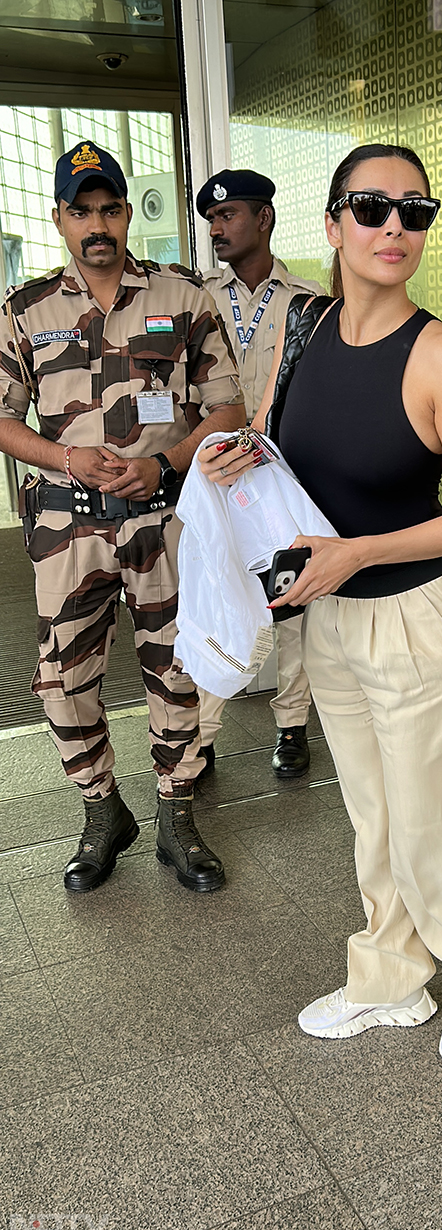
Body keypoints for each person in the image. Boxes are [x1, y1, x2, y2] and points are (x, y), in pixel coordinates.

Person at [199, 143, 442, 1063]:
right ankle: (390, 979)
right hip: (333, 618)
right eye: (373, 208)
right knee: (376, 821)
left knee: (437, 824)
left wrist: (359, 554)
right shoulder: (305, 338)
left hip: (419, 619)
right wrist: (241, 458)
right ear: (334, 225)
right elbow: (283, 444)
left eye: (414, 212)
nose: (394, 227)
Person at [0, 141, 246, 895]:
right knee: (63, 680)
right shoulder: (24, 310)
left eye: (109, 208)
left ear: (125, 213)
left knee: (176, 671)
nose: (97, 224)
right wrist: (64, 457)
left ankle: (177, 816)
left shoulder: (184, 296)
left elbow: (230, 406)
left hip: (162, 522)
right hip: (65, 529)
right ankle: (103, 812)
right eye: (82, 212)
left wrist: (164, 465)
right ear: (60, 219)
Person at [193, 169, 325, 780]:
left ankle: (292, 724)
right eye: (212, 219)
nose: (216, 227)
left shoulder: (308, 297)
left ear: (263, 218)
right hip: (219, 470)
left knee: (291, 597)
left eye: (228, 216)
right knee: (220, 591)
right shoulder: (200, 297)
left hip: (283, 470)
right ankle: (203, 731)